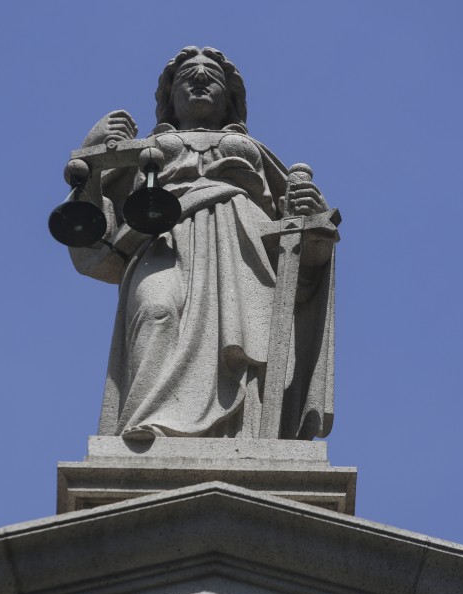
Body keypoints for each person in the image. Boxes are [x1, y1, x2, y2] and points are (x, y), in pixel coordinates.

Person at [68, 46, 336, 441]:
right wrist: (92, 158)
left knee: (244, 342)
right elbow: (95, 241)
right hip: (161, 238)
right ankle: (148, 423)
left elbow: (307, 252)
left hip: (243, 243)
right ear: (168, 99)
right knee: (156, 310)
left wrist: (312, 218)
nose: (198, 77)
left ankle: (245, 437)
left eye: (211, 73)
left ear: (231, 99)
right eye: (186, 75)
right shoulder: (142, 154)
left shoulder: (258, 152)